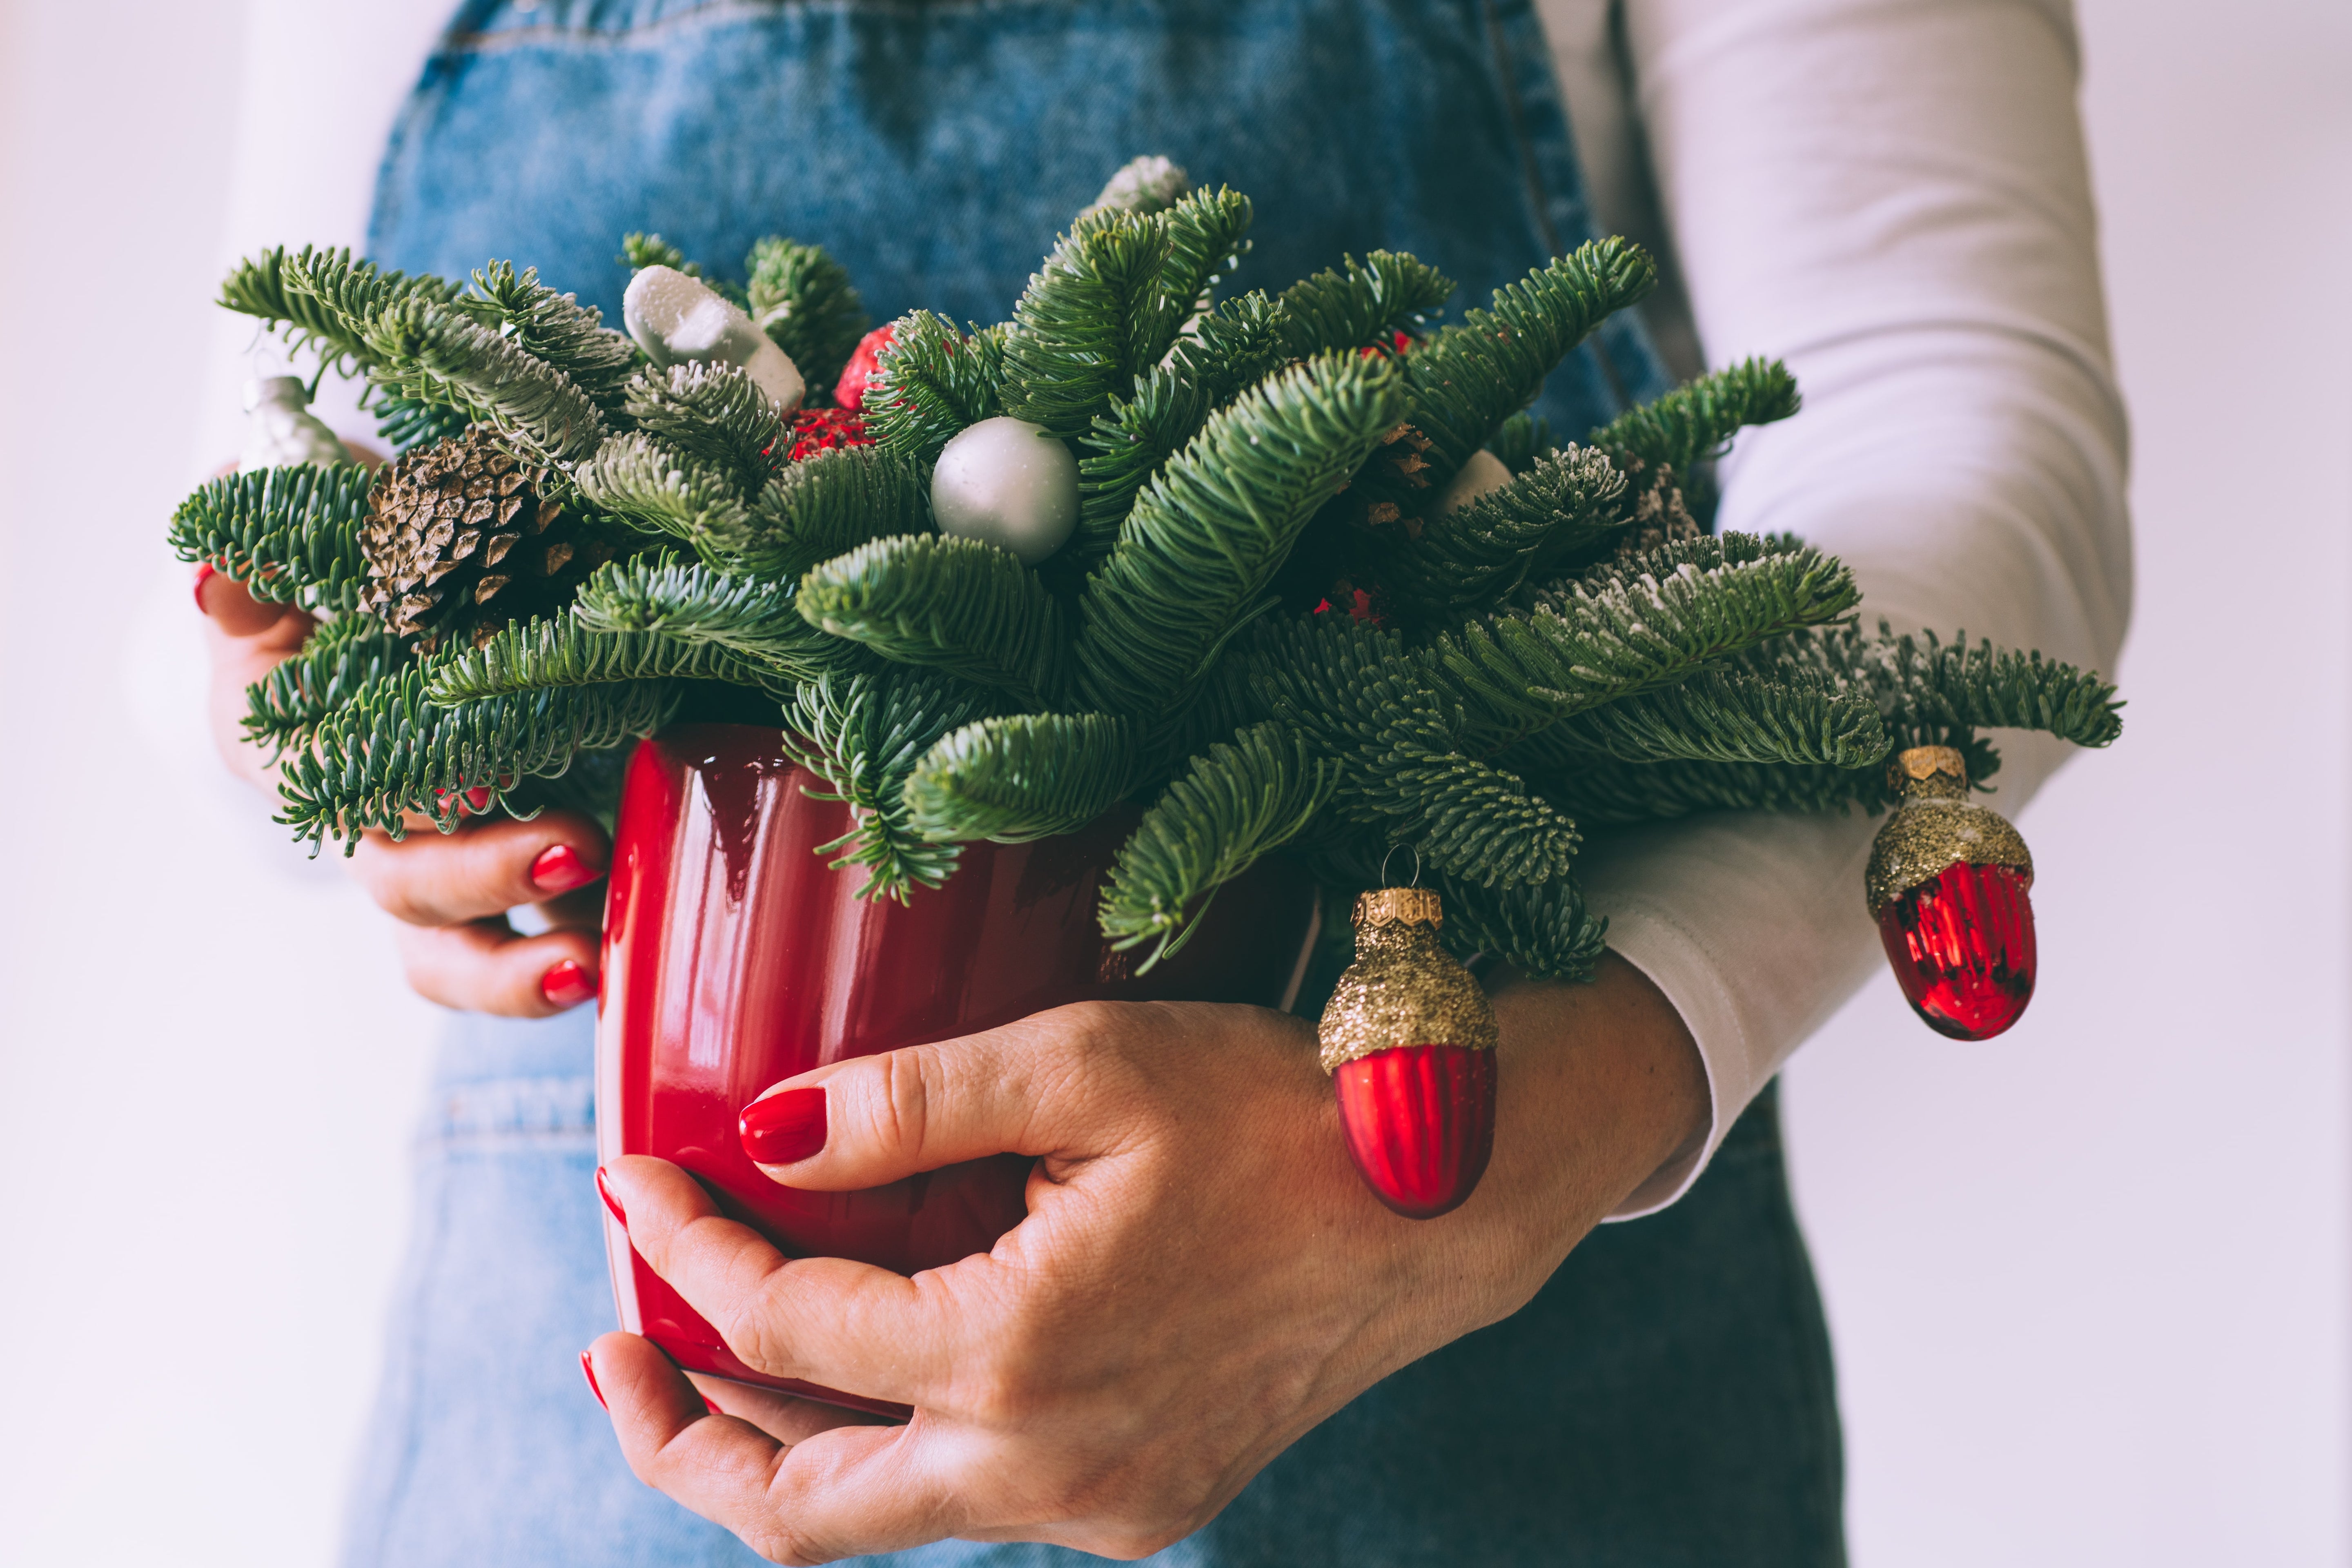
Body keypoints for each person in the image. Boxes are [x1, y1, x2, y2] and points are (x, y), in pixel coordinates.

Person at [198, 0, 2129, 1562]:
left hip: (1473, 1328)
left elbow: (1952, 418)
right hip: (595, 1411)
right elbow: (239, 535)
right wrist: (360, 736)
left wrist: (1535, 1112)